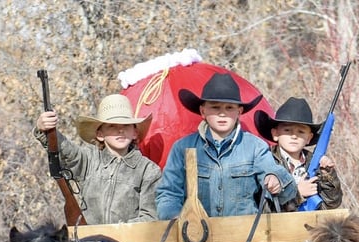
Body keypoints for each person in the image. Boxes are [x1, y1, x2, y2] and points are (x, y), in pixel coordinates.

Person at [155, 72, 297, 220]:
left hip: (246, 236)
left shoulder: (256, 147)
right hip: (195, 236)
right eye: (215, 107)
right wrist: (175, 217)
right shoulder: (181, 148)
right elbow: (168, 193)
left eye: (229, 108)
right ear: (203, 111)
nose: (222, 113)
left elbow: (282, 183)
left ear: (239, 111)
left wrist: (276, 180)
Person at [34, 94, 161, 224]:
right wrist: (44, 129)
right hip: (87, 241)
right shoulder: (88, 160)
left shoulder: (148, 171)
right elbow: (64, 150)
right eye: (112, 126)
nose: (120, 130)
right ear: (100, 134)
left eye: (126, 125)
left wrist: (120, 230)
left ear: (135, 133)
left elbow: (150, 216)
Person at [254, 97, 342, 211]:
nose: (294, 136)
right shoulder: (266, 162)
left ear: (309, 138)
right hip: (275, 227)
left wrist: (327, 175)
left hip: (312, 226)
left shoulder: (315, 163)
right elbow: (263, 206)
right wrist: (297, 194)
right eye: (287, 130)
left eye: (300, 132)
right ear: (275, 134)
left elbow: (332, 203)